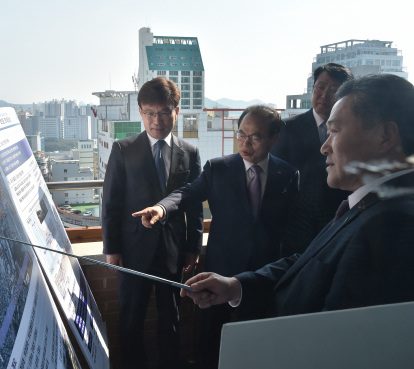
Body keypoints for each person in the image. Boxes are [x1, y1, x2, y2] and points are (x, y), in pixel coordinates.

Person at [182, 74, 414, 324]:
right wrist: (235, 286)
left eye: (335, 130)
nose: (324, 147)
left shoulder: (394, 224)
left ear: (386, 136)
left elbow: (343, 338)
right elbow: (309, 263)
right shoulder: (366, 207)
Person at [133, 105, 299, 368]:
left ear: (275, 138)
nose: (245, 143)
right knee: (210, 340)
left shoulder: (288, 175)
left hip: (262, 274)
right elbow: (186, 194)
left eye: (255, 137)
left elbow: (291, 227)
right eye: (241, 134)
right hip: (221, 269)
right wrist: (161, 208)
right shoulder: (218, 168)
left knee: (257, 342)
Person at [102, 77, 203, 369]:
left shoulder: (190, 152)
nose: (156, 120)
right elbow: (110, 203)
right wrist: (112, 249)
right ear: (140, 113)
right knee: (131, 319)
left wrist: (193, 248)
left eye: (163, 112)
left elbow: (194, 206)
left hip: (173, 250)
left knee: (170, 319)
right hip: (132, 251)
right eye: (149, 112)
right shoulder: (123, 148)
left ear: (176, 111)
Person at [271, 63, 354, 256]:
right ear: (313, 88)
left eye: (334, 90)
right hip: (297, 223)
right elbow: (276, 177)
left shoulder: (352, 131)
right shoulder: (287, 128)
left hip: (339, 219)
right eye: (320, 87)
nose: (325, 95)